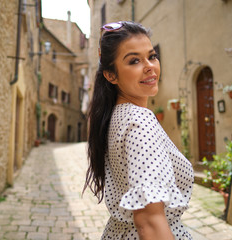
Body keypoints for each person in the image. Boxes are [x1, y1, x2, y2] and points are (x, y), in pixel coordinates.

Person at [83, 21, 194, 240]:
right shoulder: (139, 121)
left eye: (152, 56)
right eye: (134, 60)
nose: (149, 66)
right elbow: (149, 222)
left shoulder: (114, 116)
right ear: (110, 75)